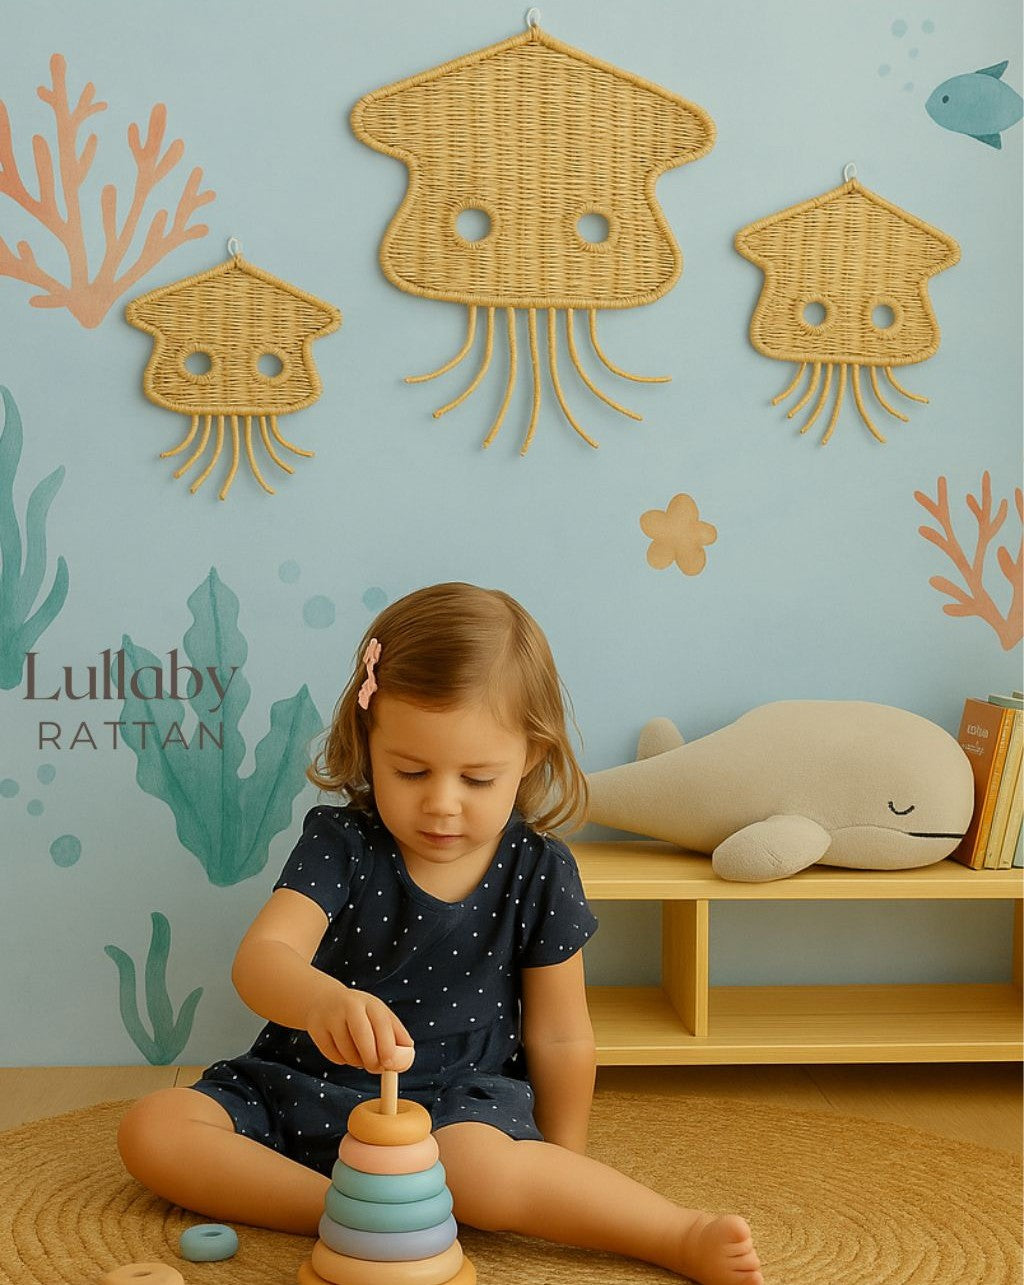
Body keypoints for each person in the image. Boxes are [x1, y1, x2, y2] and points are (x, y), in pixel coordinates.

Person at [118, 583, 763, 1285]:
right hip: (306, 1085)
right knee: (154, 1128)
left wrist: (564, 1162)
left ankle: (675, 1233)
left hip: (455, 1111)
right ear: (367, 744)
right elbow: (262, 960)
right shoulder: (342, 843)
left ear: (531, 760)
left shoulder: (539, 870)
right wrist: (321, 1002)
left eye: (479, 777)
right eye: (412, 770)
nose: (442, 803)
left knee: (485, 1172)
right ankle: (355, 1213)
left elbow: (562, 1035)